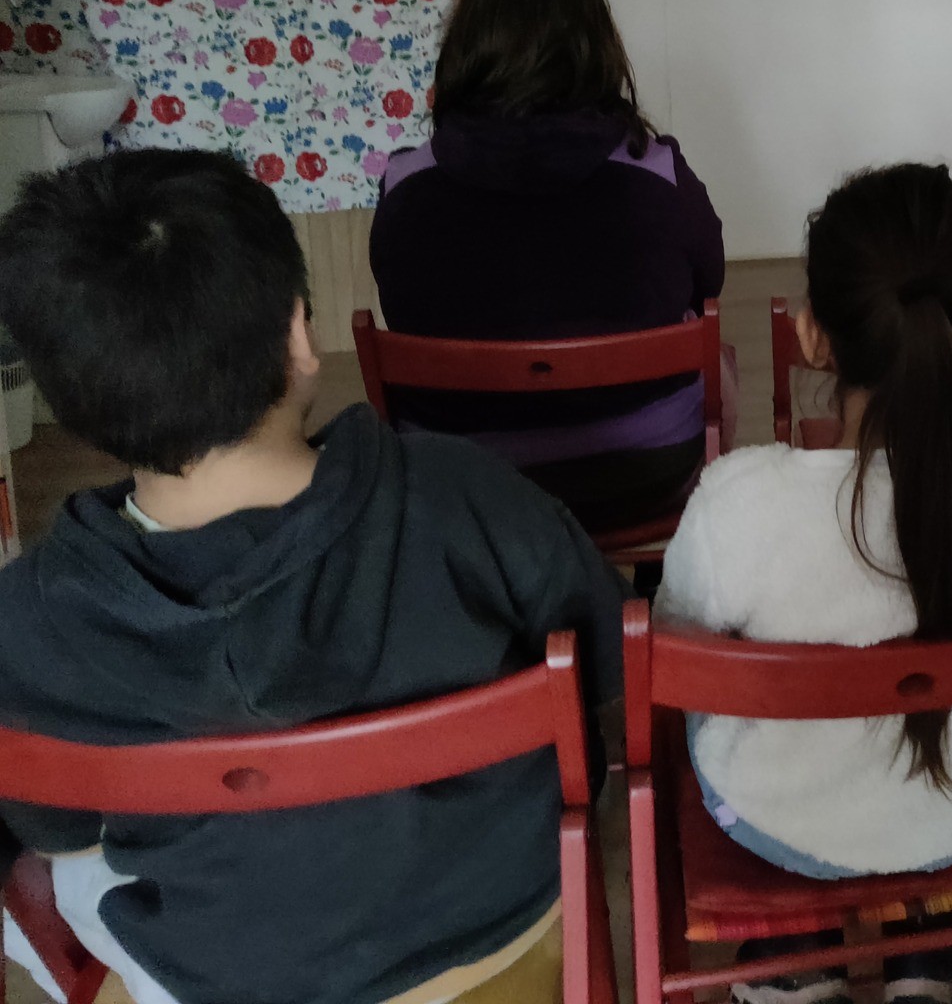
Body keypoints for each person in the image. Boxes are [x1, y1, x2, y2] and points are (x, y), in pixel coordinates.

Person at [0, 150, 624, 1004]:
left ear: (68, 398)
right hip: (505, 925)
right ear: (298, 336)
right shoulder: (466, 495)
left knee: (59, 878)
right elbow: (607, 672)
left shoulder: (27, 622)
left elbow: (60, 829)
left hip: (234, 978)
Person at [655, 164, 952, 1004]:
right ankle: (927, 948)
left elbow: (678, 661)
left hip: (781, 823)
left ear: (812, 337)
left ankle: (797, 951)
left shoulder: (736, 504)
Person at [371, 0, 725, 533]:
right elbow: (710, 280)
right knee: (721, 357)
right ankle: (657, 578)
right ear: (596, 49)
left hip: (464, 487)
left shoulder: (404, 184)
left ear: (463, 52)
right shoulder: (657, 170)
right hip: (647, 473)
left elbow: (402, 305)